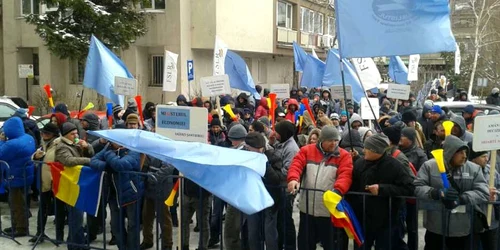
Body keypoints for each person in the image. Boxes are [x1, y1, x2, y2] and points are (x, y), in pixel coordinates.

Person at [414, 135, 489, 250]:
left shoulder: (474, 169)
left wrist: (463, 199)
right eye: (460, 152)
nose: (464, 156)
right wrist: (435, 193)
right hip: (436, 227)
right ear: (450, 152)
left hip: (462, 228)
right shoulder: (429, 166)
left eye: (465, 152)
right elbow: (417, 187)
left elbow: (483, 192)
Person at [287, 126, 352, 250]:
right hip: (307, 209)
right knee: (305, 244)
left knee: (330, 244)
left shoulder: (344, 155)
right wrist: (293, 179)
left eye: (336, 140)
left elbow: (345, 175)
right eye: (330, 140)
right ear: (322, 140)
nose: (334, 143)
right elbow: (296, 165)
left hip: (329, 211)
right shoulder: (306, 150)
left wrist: (338, 190)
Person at [349, 134, 415, 249]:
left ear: (376, 151)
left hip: (387, 220)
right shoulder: (360, 163)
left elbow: (409, 188)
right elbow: (353, 187)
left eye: (366, 148)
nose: (363, 150)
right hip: (363, 219)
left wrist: (382, 189)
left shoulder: (395, 166)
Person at [89, 141, 143, 250]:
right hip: (113, 194)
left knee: (133, 225)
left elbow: (121, 165)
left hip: (131, 192)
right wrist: (108, 165)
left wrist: (108, 155)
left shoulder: (133, 149)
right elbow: (93, 161)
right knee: (116, 226)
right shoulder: (108, 147)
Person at [55, 122, 95, 249]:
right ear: (66, 135)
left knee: (78, 217)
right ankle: (75, 245)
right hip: (70, 184)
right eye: (72, 134)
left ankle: (77, 243)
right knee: (75, 217)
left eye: (76, 133)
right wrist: (88, 161)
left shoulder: (75, 144)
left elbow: (91, 153)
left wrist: (87, 147)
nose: (75, 136)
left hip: (78, 183)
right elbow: (68, 161)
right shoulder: (62, 146)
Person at [245, 132, 283, 250]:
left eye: (255, 150)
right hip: (253, 200)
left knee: (270, 234)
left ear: (261, 148)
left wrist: (265, 164)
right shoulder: (244, 156)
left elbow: (277, 179)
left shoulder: (273, 156)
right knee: (253, 233)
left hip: (270, 201)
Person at [0, 117, 36, 237]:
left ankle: (21, 228)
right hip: (25, 174)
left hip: (15, 176)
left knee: (16, 203)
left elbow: (1, 154)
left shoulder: (12, 144)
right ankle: (16, 224)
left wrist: (1, 141)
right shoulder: (28, 138)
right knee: (19, 201)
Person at [29, 123, 61, 243]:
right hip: (44, 181)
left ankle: (60, 237)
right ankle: (39, 233)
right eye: (42, 133)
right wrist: (35, 157)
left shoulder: (58, 144)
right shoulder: (43, 143)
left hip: (56, 182)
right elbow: (34, 157)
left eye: (46, 133)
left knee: (59, 210)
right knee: (42, 208)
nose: (43, 135)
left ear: (53, 135)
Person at [270, 121, 299, 250]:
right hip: (279, 188)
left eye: (277, 132)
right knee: (279, 220)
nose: (275, 133)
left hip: (286, 189)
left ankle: (290, 246)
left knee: (285, 220)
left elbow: (288, 171)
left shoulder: (291, 148)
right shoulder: (282, 143)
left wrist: (273, 172)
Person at [467, 142, 500, 250]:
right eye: (483, 156)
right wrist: (484, 193)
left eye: (487, 156)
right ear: (473, 159)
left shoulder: (492, 172)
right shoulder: (465, 171)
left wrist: (496, 194)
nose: (487, 159)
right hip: (471, 220)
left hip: (491, 220)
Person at [140, 157, 174, 250]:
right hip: (149, 190)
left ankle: (167, 244)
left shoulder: (165, 152)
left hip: (162, 190)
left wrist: (152, 178)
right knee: (146, 216)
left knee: (164, 219)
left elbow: (168, 168)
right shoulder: (150, 151)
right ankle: (147, 240)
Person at [224, 124, 248, 250]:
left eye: (232, 138)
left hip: (237, 197)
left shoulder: (240, 153)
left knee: (230, 231)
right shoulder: (243, 151)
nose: (231, 141)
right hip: (238, 196)